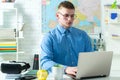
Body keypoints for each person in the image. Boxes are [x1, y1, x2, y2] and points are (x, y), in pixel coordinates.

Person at [40, 1, 93, 76]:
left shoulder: (83, 35)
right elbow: (45, 62)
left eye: (72, 16)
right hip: (60, 77)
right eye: (66, 15)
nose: (70, 19)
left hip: (81, 76)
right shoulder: (49, 37)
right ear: (57, 16)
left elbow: (90, 58)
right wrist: (66, 69)